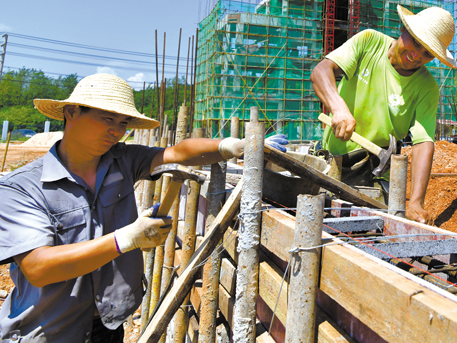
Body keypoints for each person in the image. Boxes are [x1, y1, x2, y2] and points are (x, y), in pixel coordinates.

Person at [0, 73, 285, 342]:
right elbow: (38, 268)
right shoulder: (22, 186)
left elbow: (177, 152)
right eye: (107, 118)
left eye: (124, 122)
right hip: (47, 329)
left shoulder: (122, 160)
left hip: (107, 324)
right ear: (71, 112)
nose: (116, 131)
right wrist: (127, 238)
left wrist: (231, 145)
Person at [311, 5, 456, 224]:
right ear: (404, 29)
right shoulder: (370, 42)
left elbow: (423, 142)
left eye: (427, 53)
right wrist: (339, 108)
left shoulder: (427, 87)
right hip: (332, 162)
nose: (416, 55)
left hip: (373, 173)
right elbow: (321, 71)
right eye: (416, 42)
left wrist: (416, 201)